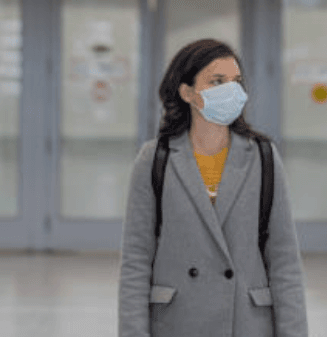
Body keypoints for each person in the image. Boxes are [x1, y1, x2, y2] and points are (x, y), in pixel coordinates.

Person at [118, 38, 309, 337]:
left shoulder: (263, 157)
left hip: (246, 324)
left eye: (236, 82)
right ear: (187, 92)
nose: (231, 91)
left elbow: (284, 263)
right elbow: (136, 262)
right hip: (176, 323)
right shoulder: (156, 159)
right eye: (217, 81)